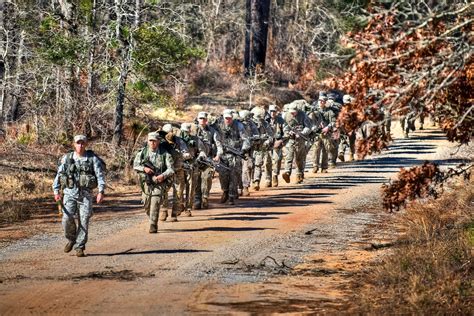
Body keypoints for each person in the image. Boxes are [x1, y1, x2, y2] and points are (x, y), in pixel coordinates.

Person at [53, 135, 106, 257]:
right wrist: (56, 191)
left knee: (84, 221)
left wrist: (101, 192)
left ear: (86, 144)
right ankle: (71, 239)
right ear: (74, 144)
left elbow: (100, 176)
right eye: (78, 143)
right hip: (69, 194)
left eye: (82, 143)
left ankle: (79, 246)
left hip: (85, 196)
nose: (80, 145)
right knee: (67, 219)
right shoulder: (67, 158)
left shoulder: (92, 159)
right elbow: (59, 175)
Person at [134, 132, 174, 233]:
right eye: (150, 141)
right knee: (146, 204)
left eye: (154, 141)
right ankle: (151, 217)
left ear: (158, 141)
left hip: (159, 183)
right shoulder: (142, 153)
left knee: (155, 203)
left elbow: (171, 169)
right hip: (146, 183)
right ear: (147, 141)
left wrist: (162, 176)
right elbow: (135, 166)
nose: (152, 143)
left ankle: (153, 225)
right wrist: (144, 169)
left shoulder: (165, 154)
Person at [214, 109, 250, 204]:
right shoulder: (218, 125)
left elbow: (245, 139)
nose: (228, 120)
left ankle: (231, 196)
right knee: (223, 175)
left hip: (235, 154)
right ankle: (225, 191)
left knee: (234, 175)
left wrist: (243, 149)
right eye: (226, 118)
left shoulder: (238, 125)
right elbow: (214, 137)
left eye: (229, 118)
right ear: (223, 117)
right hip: (223, 154)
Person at [194, 111, 224, 209]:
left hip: (208, 159)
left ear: (207, 120)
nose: (202, 120)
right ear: (197, 119)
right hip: (195, 159)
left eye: (204, 119)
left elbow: (218, 144)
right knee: (196, 178)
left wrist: (218, 155)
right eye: (200, 118)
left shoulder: (212, 131)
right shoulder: (193, 130)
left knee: (206, 178)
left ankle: (205, 197)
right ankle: (197, 198)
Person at [281, 102, 312, 184]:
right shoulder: (285, 115)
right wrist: (288, 132)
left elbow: (308, 127)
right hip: (290, 139)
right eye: (291, 112)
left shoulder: (303, 115)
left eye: (294, 112)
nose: (292, 113)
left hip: (300, 139)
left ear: (297, 110)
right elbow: (284, 127)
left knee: (299, 158)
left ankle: (299, 174)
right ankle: (287, 173)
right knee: (289, 156)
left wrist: (301, 133)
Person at [265, 104, 285, 187]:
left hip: (277, 143)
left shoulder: (281, 120)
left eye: (274, 111)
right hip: (267, 143)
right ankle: (268, 179)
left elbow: (286, 132)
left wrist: (281, 140)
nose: (272, 113)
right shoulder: (266, 120)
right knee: (267, 161)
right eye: (271, 111)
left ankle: (275, 176)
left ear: (277, 112)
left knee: (277, 160)